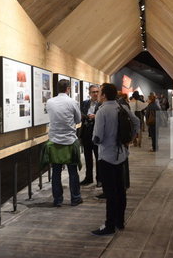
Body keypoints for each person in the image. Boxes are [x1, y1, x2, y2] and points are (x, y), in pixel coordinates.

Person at [91, 83, 140, 236]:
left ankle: (109, 225)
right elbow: (136, 122)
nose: (98, 95)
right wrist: (130, 139)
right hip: (121, 154)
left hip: (106, 156)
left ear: (104, 95)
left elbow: (98, 136)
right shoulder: (122, 107)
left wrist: (94, 141)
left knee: (110, 192)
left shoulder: (102, 111)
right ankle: (120, 221)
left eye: (100, 93)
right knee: (121, 190)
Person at [45, 79, 83, 207]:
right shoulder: (72, 102)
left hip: (54, 141)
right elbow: (78, 120)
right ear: (68, 89)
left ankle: (57, 200)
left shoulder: (49, 102)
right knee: (73, 171)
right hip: (70, 140)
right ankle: (75, 198)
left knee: (56, 172)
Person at [80, 85, 101, 186]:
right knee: (87, 158)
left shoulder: (102, 104)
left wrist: (96, 116)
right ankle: (88, 178)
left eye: (97, 91)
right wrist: (84, 116)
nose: (95, 94)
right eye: (93, 92)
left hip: (97, 133)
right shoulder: (84, 103)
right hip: (86, 133)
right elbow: (80, 114)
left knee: (98, 157)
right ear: (89, 93)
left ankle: (100, 179)